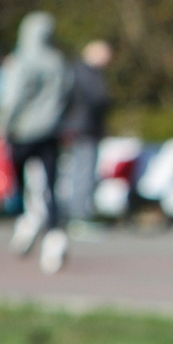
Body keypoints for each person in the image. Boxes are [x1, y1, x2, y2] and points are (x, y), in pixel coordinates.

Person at [0, 12, 72, 274]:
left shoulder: (20, 61)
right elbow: (67, 96)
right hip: (51, 131)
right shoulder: (59, 62)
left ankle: (29, 220)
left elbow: (11, 98)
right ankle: (54, 235)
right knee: (49, 185)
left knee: (22, 182)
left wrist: (1, 125)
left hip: (23, 132)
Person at [59, 40, 114, 228]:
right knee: (82, 172)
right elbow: (97, 99)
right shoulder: (84, 73)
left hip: (86, 128)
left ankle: (81, 212)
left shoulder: (83, 72)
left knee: (85, 172)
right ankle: (78, 216)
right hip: (83, 129)